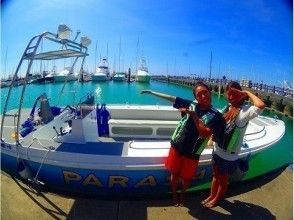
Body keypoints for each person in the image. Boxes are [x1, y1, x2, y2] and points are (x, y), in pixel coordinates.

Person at [141, 81, 225, 206]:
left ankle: (183, 194)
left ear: (210, 92)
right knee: (174, 174)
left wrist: (194, 116)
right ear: (195, 97)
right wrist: (152, 92)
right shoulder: (192, 104)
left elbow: (204, 134)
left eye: (205, 93)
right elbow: (171, 98)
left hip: (192, 152)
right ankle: (174, 194)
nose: (203, 96)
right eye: (199, 95)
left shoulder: (216, 116)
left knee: (187, 177)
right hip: (177, 146)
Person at [202, 81, 265, 208]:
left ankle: (216, 199)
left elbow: (260, 105)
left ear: (240, 94)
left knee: (223, 180)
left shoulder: (245, 112)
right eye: (228, 93)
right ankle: (212, 195)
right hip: (217, 150)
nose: (230, 96)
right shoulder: (227, 107)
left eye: (234, 93)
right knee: (215, 176)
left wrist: (246, 92)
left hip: (229, 157)